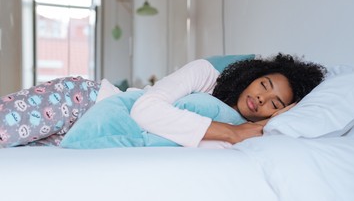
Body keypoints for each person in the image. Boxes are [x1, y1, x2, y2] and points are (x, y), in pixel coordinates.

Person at [0, 53, 326, 148]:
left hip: (85, 138)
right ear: (254, 74)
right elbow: (146, 109)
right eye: (264, 84)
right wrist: (230, 132)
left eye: (275, 103)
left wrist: (284, 116)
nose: (261, 98)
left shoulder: (245, 128)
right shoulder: (205, 74)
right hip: (82, 102)